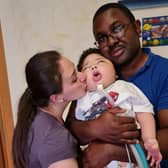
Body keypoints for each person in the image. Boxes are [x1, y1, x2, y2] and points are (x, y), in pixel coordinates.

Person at [66, 2, 168, 168]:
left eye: (117, 28)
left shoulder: (164, 71)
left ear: (137, 28)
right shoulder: (96, 76)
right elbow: (70, 126)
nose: (111, 41)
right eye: (102, 38)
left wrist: (112, 151)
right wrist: (95, 128)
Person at [75, 48, 162, 168]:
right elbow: (76, 130)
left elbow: (144, 112)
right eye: (87, 67)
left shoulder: (125, 88)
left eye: (100, 62)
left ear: (115, 72)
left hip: (128, 155)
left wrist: (150, 139)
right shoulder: (82, 99)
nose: (93, 67)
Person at [12, 50, 87, 168]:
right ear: (56, 98)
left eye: (76, 69)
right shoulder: (54, 137)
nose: (83, 76)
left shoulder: (35, 117)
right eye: (74, 79)